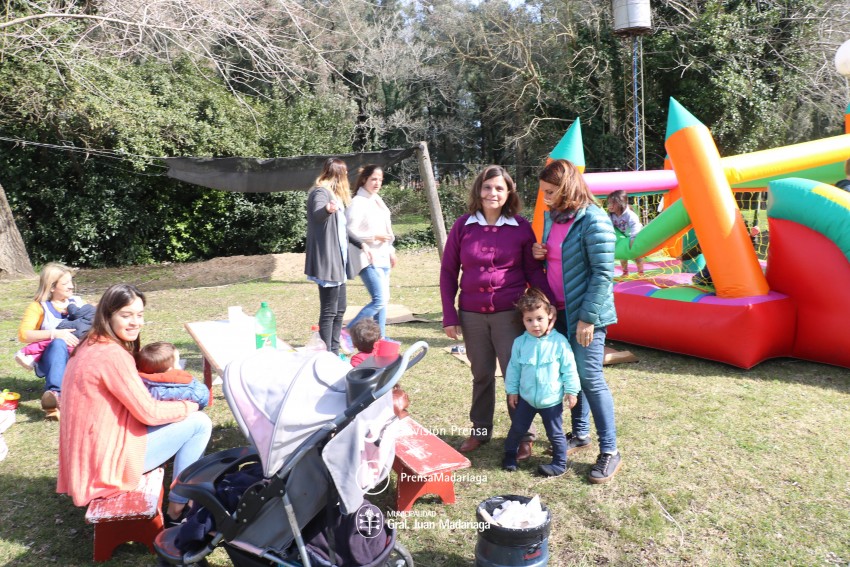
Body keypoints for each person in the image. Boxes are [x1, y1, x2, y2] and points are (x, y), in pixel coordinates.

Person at [57, 284, 212, 525]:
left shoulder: (89, 344)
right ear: (108, 316)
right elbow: (149, 412)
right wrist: (188, 406)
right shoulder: (111, 355)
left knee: (183, 418)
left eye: (139, 315)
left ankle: (184, 498)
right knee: (199, 423)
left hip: (90, 458)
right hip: (106, 466)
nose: (135, 322)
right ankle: (179, 508)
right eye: (126, 315)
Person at [440, 165, 554, 458]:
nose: (493, 193)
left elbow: (533, 270)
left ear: (508, 193)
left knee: (515, 375)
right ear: (479, 190)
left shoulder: (520, 227)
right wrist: (449, 314)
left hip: (509, 315)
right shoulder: (463, 226)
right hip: (472, 314)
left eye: (499, 188)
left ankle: (524, 434)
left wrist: (551, 305)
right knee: (481, 375)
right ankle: (480, 430)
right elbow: (449, 272)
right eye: (488, 187)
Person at [533, 159, 622, 484]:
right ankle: (581, 433)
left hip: (586, 314)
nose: (545, 198)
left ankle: (610, 451)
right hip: (559, 310)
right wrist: (540, 253)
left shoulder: (594, 220)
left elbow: (602, 274)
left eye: (551, 192)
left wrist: (587, 318)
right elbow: (557, 258)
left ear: (567, 188)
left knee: (591, 378)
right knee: (571, 375)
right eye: (543, 192)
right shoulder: (552, 218)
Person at [503, 288, 579, 477]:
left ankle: (560, 464)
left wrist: (572, 391)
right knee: (517, 429)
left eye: (539, 319)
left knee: (556, 434)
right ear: (523, 321)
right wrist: (512, 391)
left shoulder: (559, 342)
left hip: (551, 400)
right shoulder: (520, 343)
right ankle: (509, 456)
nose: (535, 324)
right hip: (526, 399)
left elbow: (569, 368)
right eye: (529, 320)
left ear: (549, 318)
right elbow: (513, 369)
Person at [305, 158, 371, 354]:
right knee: (329, 311)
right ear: (338, 176)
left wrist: (362, 244)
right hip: (328, 261)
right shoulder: (321, 192)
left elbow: (342, 229)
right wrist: (327, 209)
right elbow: (317, 214)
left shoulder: (333, 196)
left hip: (339, 262)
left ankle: (334, 350)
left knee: (340, 309)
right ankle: (327, 353)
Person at [17, 262, 86, 420]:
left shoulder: (78, 302)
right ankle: (55, 397)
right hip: (52, 357)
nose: (71, 287)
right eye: (65, 283)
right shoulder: (38, 307)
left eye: (71, 281)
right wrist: (55, 334)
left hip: (78, 356)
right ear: (52, 287)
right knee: (58, 343)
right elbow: (23, 334)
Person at [344, 164, 396, 340]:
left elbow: (386, 231)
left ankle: (379, 340)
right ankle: (346, 332)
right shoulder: (358, 202)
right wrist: (374, 236)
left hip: (382, 256)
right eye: (374, 179)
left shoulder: (377, 200)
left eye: (380, 179)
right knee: (379, 299)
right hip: (366, 256)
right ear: (364, 179)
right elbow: (349, 231)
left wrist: (391, 250)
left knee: (383, 302)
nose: (377, 183)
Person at [14, 303, 95, 370]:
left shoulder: (96, 313)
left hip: (76, 334)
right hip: (69, 329)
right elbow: (76, 312)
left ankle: (32, 357)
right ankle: (25, 352)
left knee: (50, 345)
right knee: (49, 343)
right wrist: (70, 306)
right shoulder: (92, 309)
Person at [136, 342, 210, 409]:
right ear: (170, 370)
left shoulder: (141, 381)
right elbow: (202, 397)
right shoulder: (179, 386)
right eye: (177, 363)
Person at [606, 189, 644, 276]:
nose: (610, 206)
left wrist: (633, 238)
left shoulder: (630, 215)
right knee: (623, 255)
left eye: (613, 203)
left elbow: (635, 226)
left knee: (637, 256)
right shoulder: (611, 215)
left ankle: (641, 272)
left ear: (621, 203)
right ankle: (625, 272)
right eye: (608, 203)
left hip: (634, 235)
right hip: (623, 235)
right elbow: (608, 225)